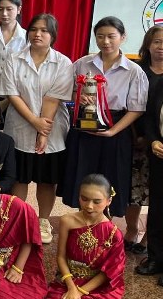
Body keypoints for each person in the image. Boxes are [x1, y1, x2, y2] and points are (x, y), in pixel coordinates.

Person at [0, 13, 73, 244]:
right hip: (19, 127)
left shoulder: (63, 63)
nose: (37, 34)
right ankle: (18, 219)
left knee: (46, 180)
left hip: (52, 129)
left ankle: (43, 221)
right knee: (19, 178)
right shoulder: (14, 59)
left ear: (53, 35)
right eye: (34, 29)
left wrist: (42, 130)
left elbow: (53, 98)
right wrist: (34, 121)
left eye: (44, 30)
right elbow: (12, 94)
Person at [62, 17, 147, 221]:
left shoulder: (133, 70)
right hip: (85, 127)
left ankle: (105, 226)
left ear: (123, 37)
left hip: (116, 129)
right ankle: (83, 222)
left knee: (112, 177)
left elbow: (137, 109)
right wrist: (78, 97)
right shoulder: (82, 64)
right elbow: (66, 92)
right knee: (83, 174)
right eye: (100, 36)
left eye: (111, 36)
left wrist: (112, 131)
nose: (105, 41)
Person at [42, 174, 125, 299]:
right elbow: (61, 257)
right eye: (84, 199)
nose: (89, 206)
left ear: (109, 201)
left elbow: (108, 273)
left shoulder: (114, 234)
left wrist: (79, 292)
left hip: (96, 287)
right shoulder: (68, 220)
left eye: (97, 201)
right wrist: (71, 288)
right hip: (68, 279)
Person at [128, 25, 163, 255]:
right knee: (135, 190)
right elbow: (128, 104)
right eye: (157, 41)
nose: (161, 47)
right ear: (148, 45)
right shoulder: (137, 70)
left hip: (159, 143)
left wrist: (152, 139)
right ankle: (132, 230)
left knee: (158, 193)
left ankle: (150, 238)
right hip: (135, 138)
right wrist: (137, 136)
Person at [137, 27, 163, 279]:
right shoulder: (160, 81)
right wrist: (153, 140)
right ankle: (155, 258)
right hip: (160, 155)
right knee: (157, 208)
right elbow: (151, 118)